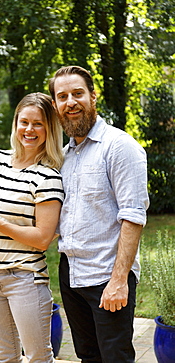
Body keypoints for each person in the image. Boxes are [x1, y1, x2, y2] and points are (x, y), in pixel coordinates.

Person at [49, 65, 149, 363]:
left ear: (93, 97)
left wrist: (119, 279)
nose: (71, 102)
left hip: (107, 275)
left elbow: (133, 215)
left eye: (78, 93)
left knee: (115, 357)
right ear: (55, 106)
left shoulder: (120, 147)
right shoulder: (64, 155)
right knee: (88, 356)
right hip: (71, 274)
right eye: (62, 96)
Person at [0, 92, 64, 363]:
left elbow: (42, 239)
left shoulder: (48, 176)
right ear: (15, 123)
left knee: (37, 357)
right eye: (24, 122)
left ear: (49, 129)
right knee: (5, 356)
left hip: (25, 279)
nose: (29, 130)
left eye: (38, 124)